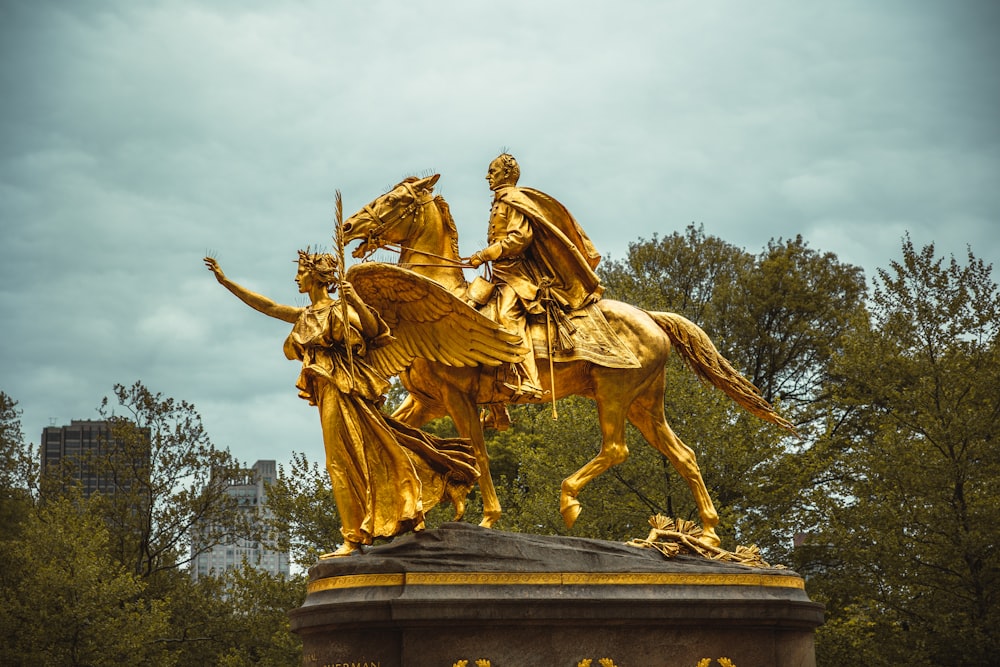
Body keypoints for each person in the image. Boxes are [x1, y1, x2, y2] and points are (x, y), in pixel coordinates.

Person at [204, 252, 479, 557]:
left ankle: (353, 537)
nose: (296, 278)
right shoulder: (306, 315)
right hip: (328, 392)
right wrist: (226, 281)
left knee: (341, 463)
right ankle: (369, 525)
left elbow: (375, 331)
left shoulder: (340, 309)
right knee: (360, 457)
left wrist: (356, 300)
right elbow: (267, 306)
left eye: (300, 273)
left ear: (315, 277)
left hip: (342, 390)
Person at [468, 153, 604, 398]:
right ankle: (495, 403)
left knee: (509, 315)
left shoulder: (513, 199)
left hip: (518, 274)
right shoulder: (500, 201)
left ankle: (531, 380)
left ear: (507, 174)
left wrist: (487, 253)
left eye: (493, 171)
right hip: (501, 272)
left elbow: (521, 238)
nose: (488, 176)